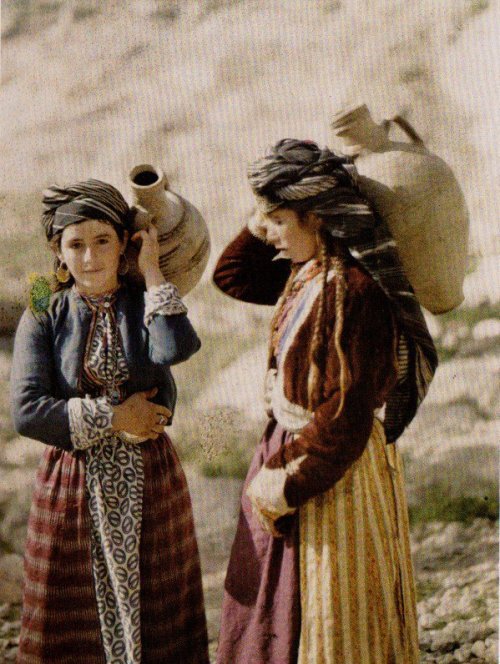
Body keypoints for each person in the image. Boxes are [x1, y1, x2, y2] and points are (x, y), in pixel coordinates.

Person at [213, 139, 438, 664]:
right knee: (278, 603)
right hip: (298, 449)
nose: (267, 231)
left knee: (334, 614)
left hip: (334, 468)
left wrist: (287, 480)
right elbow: (233, 275)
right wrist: (265, 210)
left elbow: (346, 413)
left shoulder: (354, 290)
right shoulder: (306, 269)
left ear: (317, 217)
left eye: (278, 220)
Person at [10, 179, 209, 663]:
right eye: (75, 244)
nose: (90, 257)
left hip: (151, 478)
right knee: (73, 613)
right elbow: (27, 409)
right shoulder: (44, 311)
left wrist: (153, 273)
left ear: (124, 244)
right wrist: (115, 414)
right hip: (73, 484)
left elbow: (173, 349)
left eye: (103, 240)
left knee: (159, 609)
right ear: (58, 252)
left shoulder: (143, 302)